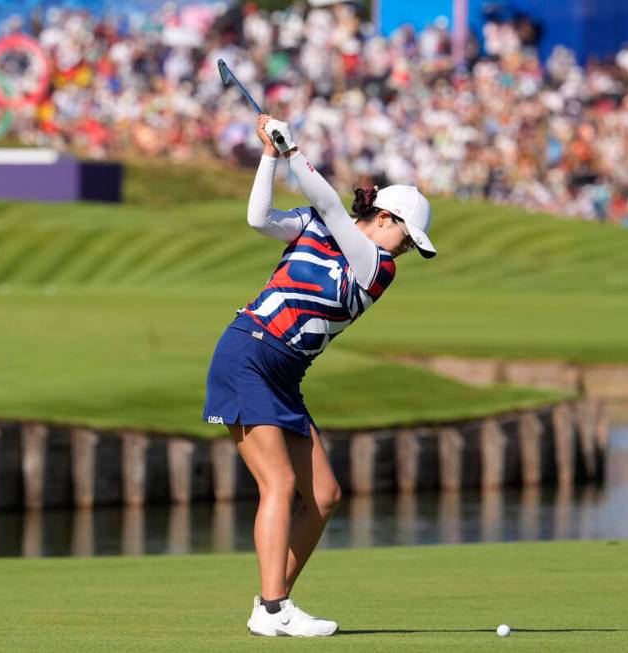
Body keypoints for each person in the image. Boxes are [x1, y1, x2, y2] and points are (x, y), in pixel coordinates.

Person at [203, 114, 437, 637]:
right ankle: (272, 608)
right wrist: (271, 155)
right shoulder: (313, 225)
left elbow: (332, 206)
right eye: (407, 234)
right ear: (385, 216)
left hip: (284, 376)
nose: (407, 247)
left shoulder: (377, 267)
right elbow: (258, 218)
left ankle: (270, 602)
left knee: (325, 495)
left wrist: (294, 150)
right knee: (280, 484)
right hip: (249, 352)